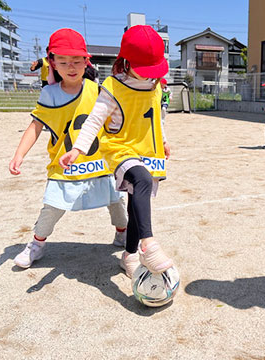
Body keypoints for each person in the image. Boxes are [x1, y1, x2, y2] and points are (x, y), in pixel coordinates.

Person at [59, 25, 173, 277]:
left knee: (136, 206)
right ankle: (149, 246)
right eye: (145, 70)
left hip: (147, 150)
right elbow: (94, 121)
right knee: (141, 179)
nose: (149, 76)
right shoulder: (112, 87)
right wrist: (77, 149)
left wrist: (163, 140)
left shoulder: (155, 86)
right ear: (126, 62)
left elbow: (156, 117)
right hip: (119, 149)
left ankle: (129, 255)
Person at [9, 28, 128, 269]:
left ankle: (122, 233)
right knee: (52, 206)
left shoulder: (99, 91)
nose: (70, 67)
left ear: (87, 62)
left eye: (76, 61)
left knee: (116, 201)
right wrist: (18, 155)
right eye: (63, 62)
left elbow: (118, 124)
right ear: (51, 62)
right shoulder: (49, 93)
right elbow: (36, 125)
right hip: (64, 164)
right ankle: (37, 244)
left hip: (99, 162)